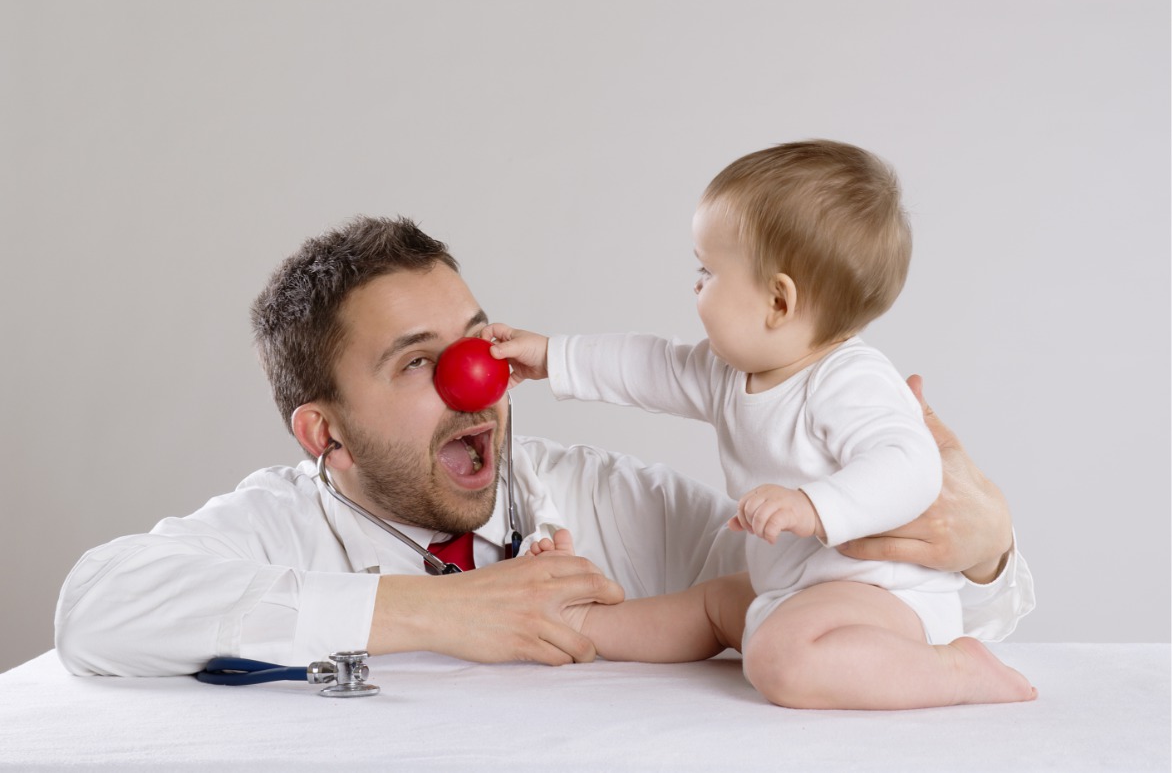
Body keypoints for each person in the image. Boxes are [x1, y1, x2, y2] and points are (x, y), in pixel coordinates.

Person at [54, 215, 1033, 678]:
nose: (475, 382)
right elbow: (96, 609)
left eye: (475, 342)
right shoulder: (275, 524)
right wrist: (438, 612)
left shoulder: (617, 501)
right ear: (325, 432)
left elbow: (839, 609)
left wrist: (982, 558)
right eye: (417, 363)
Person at [487, 140, 1036, 708]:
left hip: (882, 597)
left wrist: (811, 506)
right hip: (795, 588)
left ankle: (955, 669)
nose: (696, 285)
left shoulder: (847, 379)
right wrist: (552, 356)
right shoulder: (732, 372)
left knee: (779, 657)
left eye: (707, 271)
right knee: (711, 604)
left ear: (778, 301)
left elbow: (910, 467)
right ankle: (580, 623)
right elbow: (650, 365)